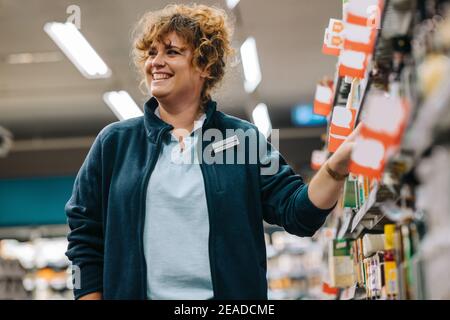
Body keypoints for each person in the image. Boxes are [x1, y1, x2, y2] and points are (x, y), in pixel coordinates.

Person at [65, 4, 360, 300]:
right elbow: (84, 236)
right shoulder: (115, 144)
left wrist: (336, 167)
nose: (156, 61)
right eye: (152, 52)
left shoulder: (241, 140)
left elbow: (299, 214)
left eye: (172, 52)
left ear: (205, 66)